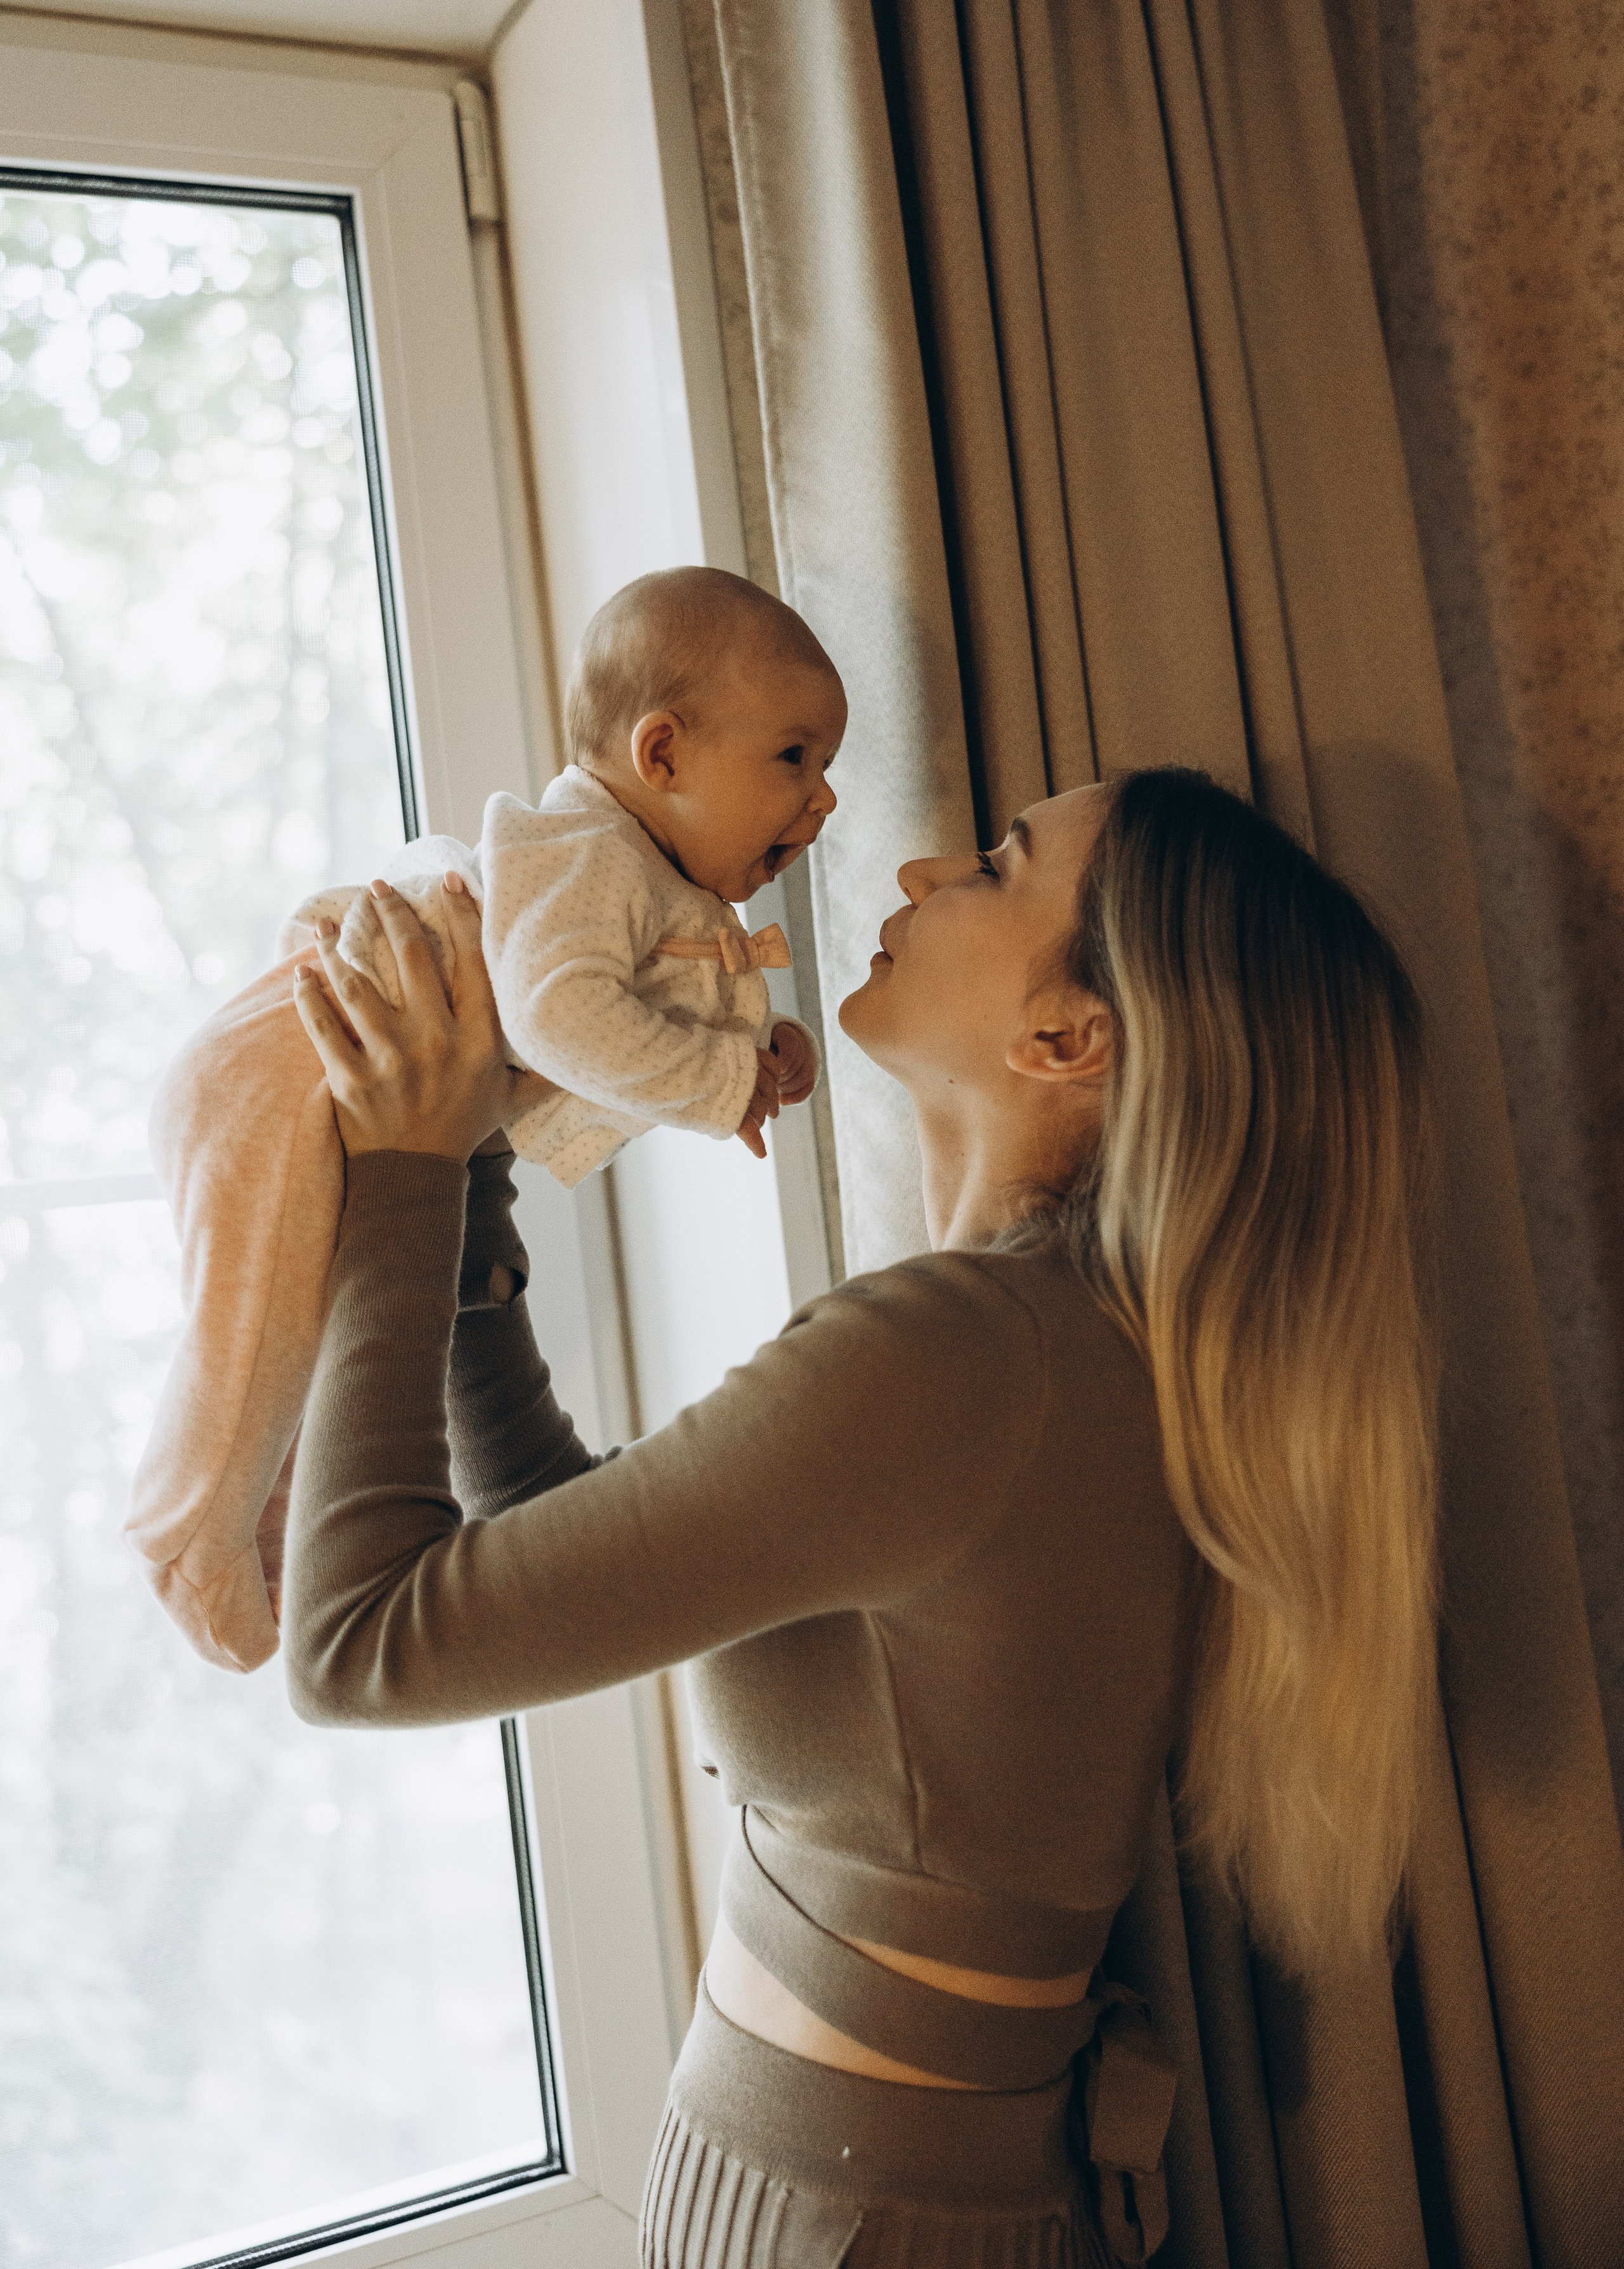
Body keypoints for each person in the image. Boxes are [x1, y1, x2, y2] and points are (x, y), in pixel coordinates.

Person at [284, 766, 1440, 2269]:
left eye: (998, 865)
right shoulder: (1082, 1351)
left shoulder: (964, 1358)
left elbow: (358, 1643)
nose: (914, 876)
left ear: (1066, 1035)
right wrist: (471, 1175)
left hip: (850, 2217)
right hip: (877, 2191)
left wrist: (397, 1174)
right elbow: (562, 1543)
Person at [126, 566, 842, 1675]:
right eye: (795, 758)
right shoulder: (594, 857)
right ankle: (183, 1537)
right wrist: (719, 1083)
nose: (824, 799)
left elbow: (607, 1031)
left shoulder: (648, 882)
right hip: (278, 1063)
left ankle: (263, 1520)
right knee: (249, 1329)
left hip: (324, 1070)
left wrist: (753, 1055)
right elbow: (561, 1019)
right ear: (662, 757)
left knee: (294, 1340)